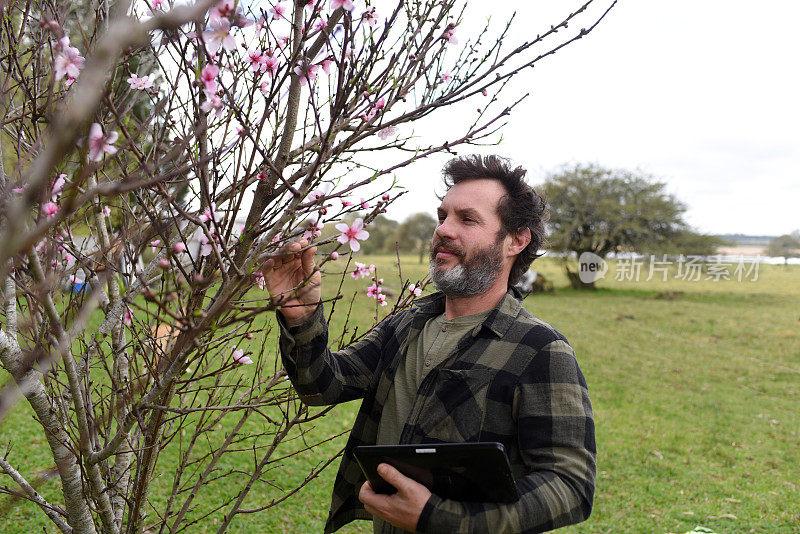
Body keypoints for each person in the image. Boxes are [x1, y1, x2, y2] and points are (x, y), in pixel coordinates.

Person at [262, 155, 596, 533]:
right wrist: (302, 316)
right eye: (442, 217)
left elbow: (571, 485)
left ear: (516, 241)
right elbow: (323, 386)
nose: (443, 230)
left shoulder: (539, 348)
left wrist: (437, 518)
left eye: (467, 219)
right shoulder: (409, 323)